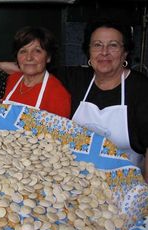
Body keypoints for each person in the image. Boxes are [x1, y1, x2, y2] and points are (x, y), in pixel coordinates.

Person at [56, 20, 148, 182]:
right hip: (76, 184)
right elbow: (34, 67)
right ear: (89, 51)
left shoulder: (141, 89)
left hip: (125, 187)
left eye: (113, 45)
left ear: (125, 52)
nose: (104, 52)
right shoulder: (75, 79)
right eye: (97, 45)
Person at [2, 26, 71, 118]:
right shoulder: (12, 79)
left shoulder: (58, 94)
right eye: (23, 51)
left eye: (37, 51)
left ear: (48, 57)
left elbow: (60, 132)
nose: (29, 57)